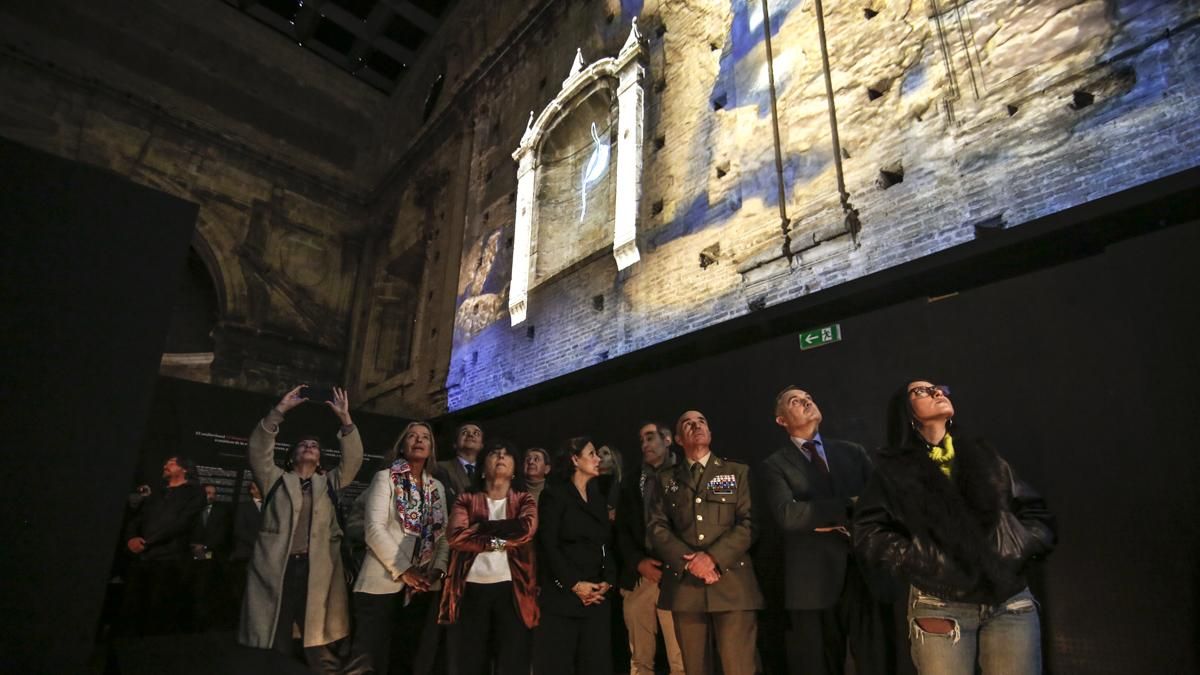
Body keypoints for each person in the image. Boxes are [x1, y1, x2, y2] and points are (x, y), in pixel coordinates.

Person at [853, 380, 1056, 674]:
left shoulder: (985, 457)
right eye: (921, 391)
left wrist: (1017, 548)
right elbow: (869, 531)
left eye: (938, 388)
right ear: (906, 412)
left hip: (1009, 599)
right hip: (940, 602)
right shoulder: (893, 472)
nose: (937, 392)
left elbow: (1034, 510)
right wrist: (924, 559)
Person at [759, 386, 895, 674]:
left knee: (877, 663)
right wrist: (848, 504)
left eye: (808, 397)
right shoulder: (775, 465)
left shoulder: (852, 452)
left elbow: (880, 503)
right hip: (813, 583)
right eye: (795, 401)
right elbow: (788, 515)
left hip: (863, 574)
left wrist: (818, 517)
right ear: (781, 420)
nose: (806, 401)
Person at [238, 385, 363, 675]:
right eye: (303, 445)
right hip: (276, 567)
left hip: (317, 567)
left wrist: (346, 420)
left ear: (319, 459)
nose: (308, 447)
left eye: (314, 446)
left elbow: (353, 461)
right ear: (292, 456)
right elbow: (258, 450)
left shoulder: (329, 483)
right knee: (275, 631)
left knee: (317, 636)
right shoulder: (275, 480)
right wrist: (279, 411)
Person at [647, 410, 764, 675]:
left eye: (701, 421)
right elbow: (657, 527)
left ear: (710, 432)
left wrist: (712, 558)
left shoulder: (737, 471)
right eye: (687, 423)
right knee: (695, 669)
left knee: (738, 668)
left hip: (732, 583)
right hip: (686, 588)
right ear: (677, 439)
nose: (696, 425)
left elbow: (749, 523)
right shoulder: (665, 479)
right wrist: (691, 563)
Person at [347, 422, 449, 675]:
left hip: (423, 584)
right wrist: (405, 569)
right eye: (412, 436)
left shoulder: (436, 487)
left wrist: (438, 569)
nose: (419, 440)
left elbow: (444, 535)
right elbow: (374, 529)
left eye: (425, 437)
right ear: (402, 446)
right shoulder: (385, 478)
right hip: (383, 581)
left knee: (404, 659)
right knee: (366, 660)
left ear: (431, 448)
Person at [438, 441, 538, 675]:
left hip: (512, 590)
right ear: (483, 467)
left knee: (512, 663)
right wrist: (499, 541)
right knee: (470, 662)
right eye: (495, 453)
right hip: (471, 588)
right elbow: (456, 537)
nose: (501, 457)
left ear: (515, 470)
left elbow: (525, 531)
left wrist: (479, 527)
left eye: (507, 454)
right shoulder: (467, 498)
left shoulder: (524, 499)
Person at [533, 437, 616, 675]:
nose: (598, 459)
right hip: (562, 599)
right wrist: (574, 585)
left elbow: (606, 544)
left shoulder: (597, 497)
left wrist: (607, 581)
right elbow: (548, 546)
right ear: (575, 460)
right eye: (591, 454)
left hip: (596, 599)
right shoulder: (554, 496)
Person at [615, 422, 685, 675]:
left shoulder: (686, 473)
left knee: (682, 659)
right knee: (640, 660)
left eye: (650, 438)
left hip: (677, 575)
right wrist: (638, 562)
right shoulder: (631, 480)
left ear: (667, 440)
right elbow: (621, 530)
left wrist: (674, 562)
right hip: (640, 576)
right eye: (641, 440)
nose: (644, 445)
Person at [121, 455, 206, 635]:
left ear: (184, 469)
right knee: (132, 607)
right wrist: (131, 538)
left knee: (158, 610)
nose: (166, 465)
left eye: (171, 463)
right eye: (166, 462)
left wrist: (147, 542)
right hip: (141, 557)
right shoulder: (158, 492)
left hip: (168, 559)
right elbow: (137, 519)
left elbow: (181, 523)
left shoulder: (195, 493)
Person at [190, 482, 234, 631]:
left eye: (214, 493)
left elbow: (223, 532)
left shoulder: (221, 512)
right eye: (208, 493)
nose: (212, 496)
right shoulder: (191, 510)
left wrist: (205, 547)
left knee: (205, 587)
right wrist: (193, 546)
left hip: (212, 555)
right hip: (188, 554)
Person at [435, 422, 483, 504]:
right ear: (455, 444)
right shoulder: (441, 468)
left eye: (476, 433)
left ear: (482, 445)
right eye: (464, 432)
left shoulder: (487, 470)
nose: (470, 435)